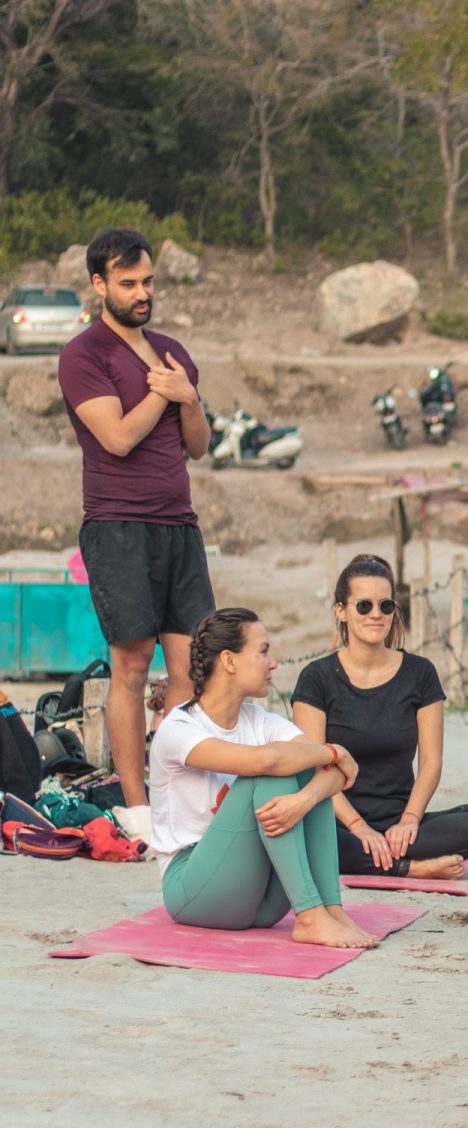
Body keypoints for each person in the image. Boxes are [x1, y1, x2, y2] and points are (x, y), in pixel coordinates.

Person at [57, 227, 214, 838]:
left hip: (180, 527)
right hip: (118, 527)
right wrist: (163, 393)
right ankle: (137, 807)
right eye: (128, 283)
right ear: (99, 285)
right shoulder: (83, 355)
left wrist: (188, 398)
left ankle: (173, 795)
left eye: (147, 281)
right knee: (130, 667)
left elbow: (198, 446)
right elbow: (118, 437)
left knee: (193, 670)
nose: (142, 293)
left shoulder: (173, 352)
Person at [149, 608, 377, 950]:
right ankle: (310, 917)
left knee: (302, 769)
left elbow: (330, 772)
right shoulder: (178, 729)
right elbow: (267, 761)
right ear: (229, 660)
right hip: (194, 890)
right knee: (272, 774)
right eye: (263, 651)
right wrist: (335, 751)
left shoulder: (259, 720)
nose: (273, 663)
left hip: (263, 899)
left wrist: (306, 797)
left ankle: (329, 908)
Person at [291, 556, 468, 881]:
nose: (376, 614)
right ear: (341, 611)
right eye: (364, 606)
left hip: (400, 823)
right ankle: (410, 867)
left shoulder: (420, 673)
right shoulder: (316, 678)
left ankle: (379, 857)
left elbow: (431, 762)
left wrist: (410, 820)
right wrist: (359, 827)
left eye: (385, 605)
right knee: (303, 834)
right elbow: (313, 768)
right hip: (338, 822)